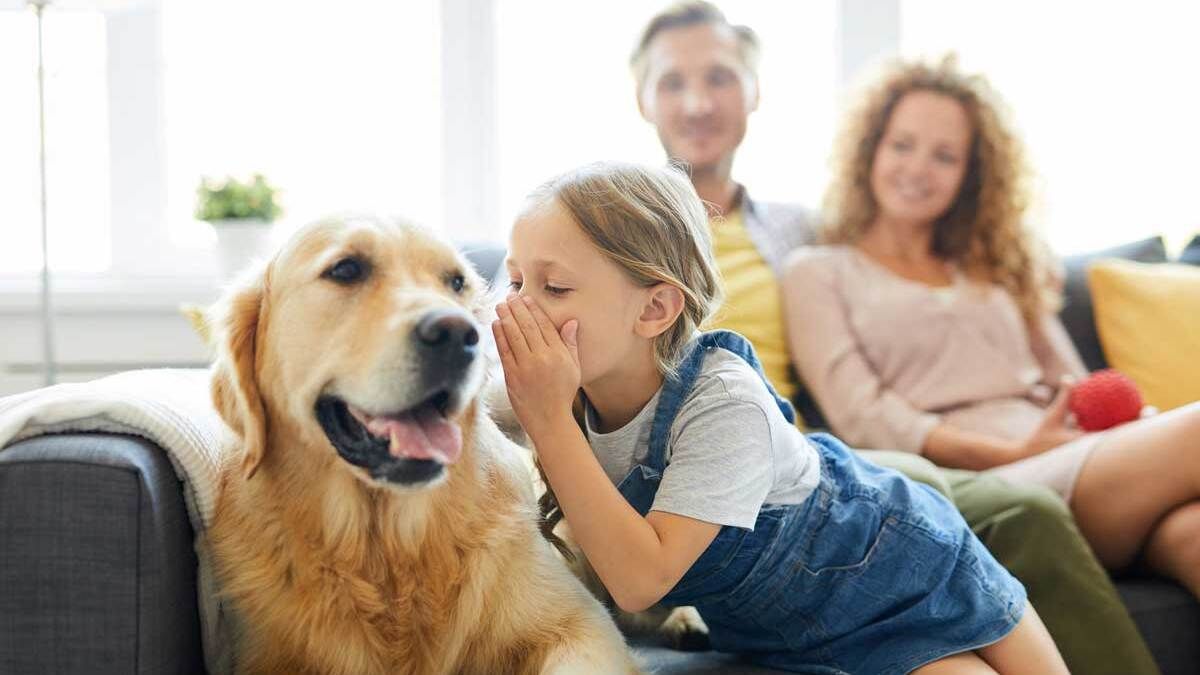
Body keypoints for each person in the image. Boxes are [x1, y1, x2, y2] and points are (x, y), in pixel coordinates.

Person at [630, 3, 1159, 672]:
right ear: (642, 98)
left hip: (806, 454)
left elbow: (888, 255)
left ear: (755, 91)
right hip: (726, 459)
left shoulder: (799, 230)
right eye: (673, 82)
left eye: (720, 78)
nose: (699, 102)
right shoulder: (612, 226)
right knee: (1015, 505)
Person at [493, 160, 1067, 674]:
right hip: (782, 633)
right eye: (516, 281)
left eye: (555, 286)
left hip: (899, 568)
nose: (517, 307)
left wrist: (550, 422)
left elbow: (641, 581)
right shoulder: (549, 390)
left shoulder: (722, 402)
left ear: (654, 308)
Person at [783, 55, 1200, 603]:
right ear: (870, 150)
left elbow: (1074, 385)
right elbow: (865, 417)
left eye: (945, 155)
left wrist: (1127, 430)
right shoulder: (818, 270)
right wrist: (1015, 453)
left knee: (1193, 534)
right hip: (982, 484)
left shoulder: (995, 268)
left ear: (970, 174)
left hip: (1074, 461)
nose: (917, 168)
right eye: (902, 145)